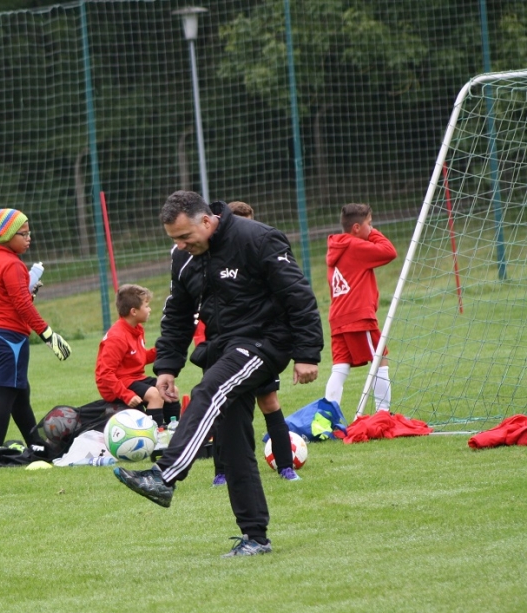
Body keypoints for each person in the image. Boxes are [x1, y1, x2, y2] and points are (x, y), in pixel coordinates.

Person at [113, 191, 323, 557]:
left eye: (185, 237)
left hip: (264, 342)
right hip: (223, 347)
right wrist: (166, 367)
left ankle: (164, 476)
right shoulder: (184, 258)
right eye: (174, 239)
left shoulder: (258, 238)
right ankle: (256, 536)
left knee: (209, 390)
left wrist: (307, 353)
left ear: (207, 221)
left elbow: (298, 295)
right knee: (234, 441)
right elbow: (177, 315)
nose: (180, 245)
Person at [203, 201, 301, 485]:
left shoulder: (262, 253)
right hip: (226, 349)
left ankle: (286, 466)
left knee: (269, 402)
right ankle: (221, 471)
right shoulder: (214, 261)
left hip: (260, 345)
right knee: (223, 407)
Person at [0, 208, 73, 453]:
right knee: (6, 393)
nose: (29, 238)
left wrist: (24, 292)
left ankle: (36, 444)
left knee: (19, 390)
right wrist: (49, 336)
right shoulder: (13, 264)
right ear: (6, 235)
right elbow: (21, 306)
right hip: (9, 338)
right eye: (23, 233)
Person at [324, 203, 398, 413]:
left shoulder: (335, 247)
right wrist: (373, 233)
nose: (372, 228)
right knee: (380, 360)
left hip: (337, 318)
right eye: (369, 224)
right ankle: (383, 414)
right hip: (358, 317)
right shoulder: (355, 246)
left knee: (340, 367)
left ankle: (328, 418)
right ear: (356, 228)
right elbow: (389, 251)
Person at [94, 284, 180, 427]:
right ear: (134, 311)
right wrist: (126, 395)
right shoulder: (117, 337)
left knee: (171, 390)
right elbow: (105, 374)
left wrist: (163, 349)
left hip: (134, 378)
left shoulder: (137, 329)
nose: (150, 309)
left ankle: (174, 432)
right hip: (116, 384)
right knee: (154, 395)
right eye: (146, 306)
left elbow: (139, 358)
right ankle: (154, 438)